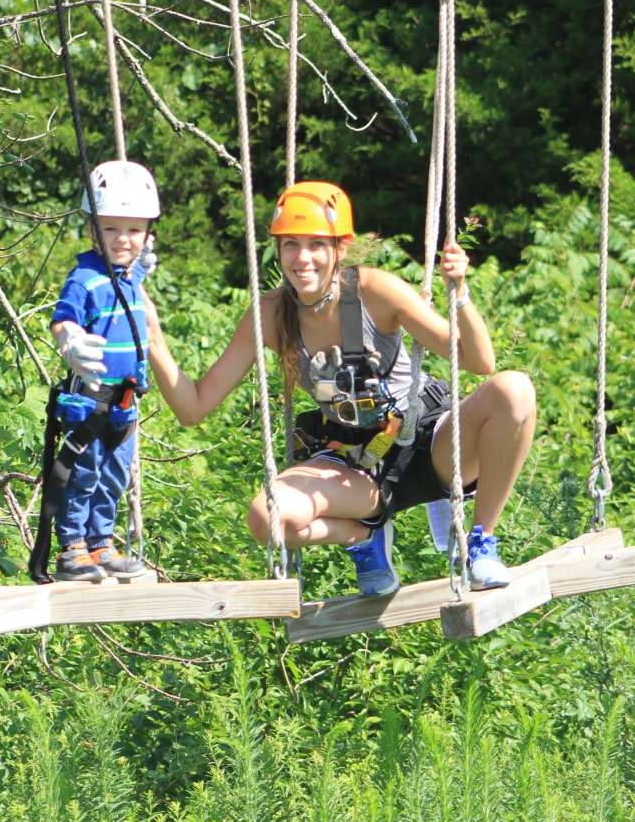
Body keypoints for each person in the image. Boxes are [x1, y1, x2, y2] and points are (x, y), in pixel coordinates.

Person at [144, 181, 536, 595]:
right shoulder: (271, 314)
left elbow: (477, 362)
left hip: (426, 437)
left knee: (514, 390)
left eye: (316, 244)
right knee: (267, 519)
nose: (302, 258)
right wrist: (154, 340)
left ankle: (480, 543)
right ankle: (363, 537)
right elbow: (194, 408)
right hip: (357, 462)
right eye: (290, 244)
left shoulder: (373, 290)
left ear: (340, 248)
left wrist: (459, 293)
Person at [46, 159, 159, 582]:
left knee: (113, 476)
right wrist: (69, 342)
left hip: (125, 404)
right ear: (92, 230)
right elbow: (63, 318)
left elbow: (140, 264)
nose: (122, 239)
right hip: (91, 400)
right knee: (83, 473)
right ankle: (72, 548)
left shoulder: (130, 275)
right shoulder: (84, 278)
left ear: (147, 233)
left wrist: (143, 261)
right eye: (110, 229)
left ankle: (100, 544)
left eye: (133, 230)